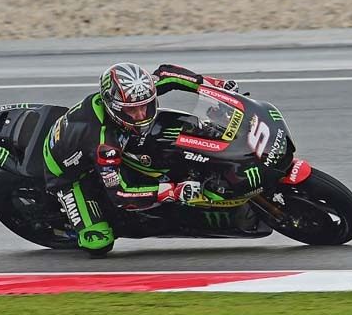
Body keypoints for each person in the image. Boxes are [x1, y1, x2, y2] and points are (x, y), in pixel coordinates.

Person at [43, 62, 239, 257]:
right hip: (67, 175)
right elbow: (119, 194)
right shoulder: (105, 143)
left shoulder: (135, 93)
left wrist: (216, 86)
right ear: (114, 107)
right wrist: (172, 191)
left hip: (101, 141)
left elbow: (167, 75)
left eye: (144, 106)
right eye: (132, 111)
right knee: (98, 243)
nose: (141, 115)